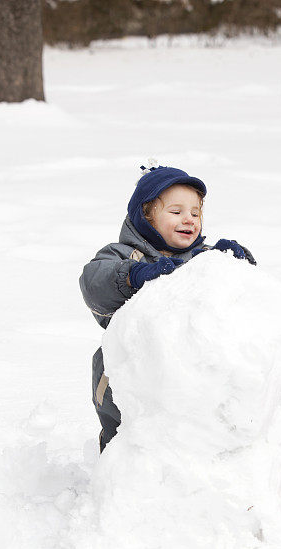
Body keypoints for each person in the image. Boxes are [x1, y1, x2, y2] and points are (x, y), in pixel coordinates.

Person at [80, 163, 256, 451]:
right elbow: (94, 284)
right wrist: (133, 275)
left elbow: (247, 302)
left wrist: (238, 264)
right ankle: (118, 473)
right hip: (129, 370)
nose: (189, 219)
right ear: (146, 217)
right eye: (176, 212)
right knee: (130, 434)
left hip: (194, 373)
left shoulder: (204, 258)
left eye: (195, 213)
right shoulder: (124, 255)